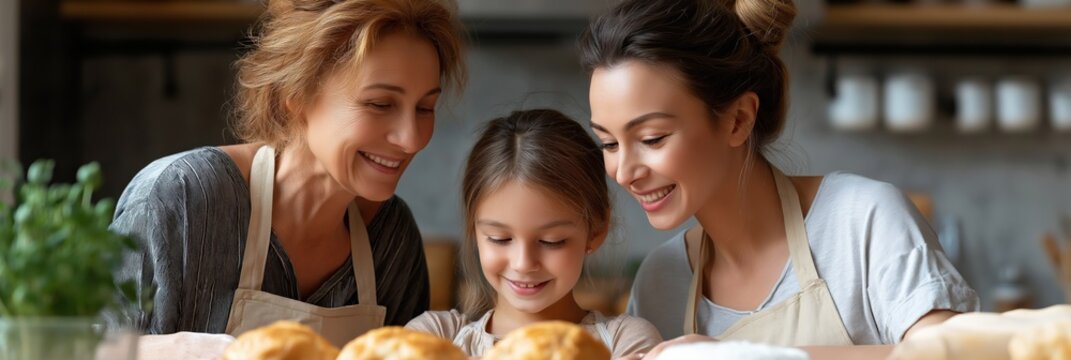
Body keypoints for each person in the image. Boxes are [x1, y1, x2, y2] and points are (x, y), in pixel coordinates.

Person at [578, 0, 979, 358]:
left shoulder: (863, 222)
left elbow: (951, 354)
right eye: (609, 143)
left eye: (652, 139)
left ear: (739, 120)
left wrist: (744, 356)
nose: (625, 172)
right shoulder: (661, 278)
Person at [109, 0, 465, 350]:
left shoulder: (390, 239)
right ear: (295, 95)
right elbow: (78, 346)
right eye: (380, 104)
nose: (411, 138)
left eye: (424, 108)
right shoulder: (182, 197)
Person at [405, 109, 662, 358]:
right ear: (474, 229)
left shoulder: (625, 342)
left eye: (551, 241)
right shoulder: (436, 339)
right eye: (500, 238)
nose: (523, 263)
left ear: (596, 230)